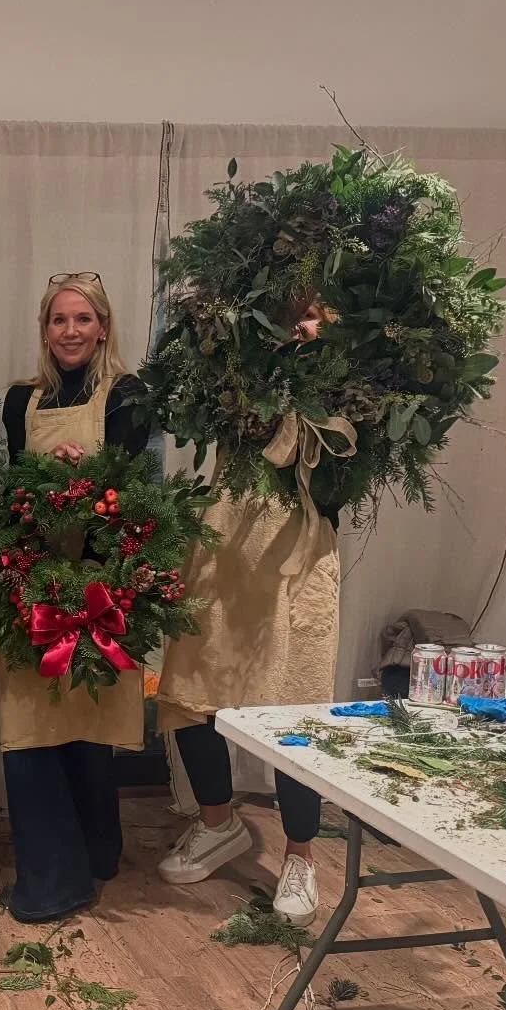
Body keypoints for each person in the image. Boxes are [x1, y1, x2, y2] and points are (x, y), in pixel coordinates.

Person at [154, 297, 341, 928]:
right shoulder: (233, 363)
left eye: (319, 314)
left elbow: (344, 475)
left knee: (293, 698)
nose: (303, 326)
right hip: (223, 529)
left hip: (297, 544)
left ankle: (300, 856)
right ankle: (217, 821)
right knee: (191, 683)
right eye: (295, 313)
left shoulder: (353, 383)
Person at [0, 272, 149, 922]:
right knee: (32, 724)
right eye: (59, 320)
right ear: (44, 329)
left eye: (83, 319)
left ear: (104, 327)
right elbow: (11, 489)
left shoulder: (129, 396)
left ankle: (95, 850)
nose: (71, 331)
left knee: (88, 724)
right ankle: (57, 874)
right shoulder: (20, 400)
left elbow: (130, 494)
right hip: (32, 580)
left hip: (99, 583)